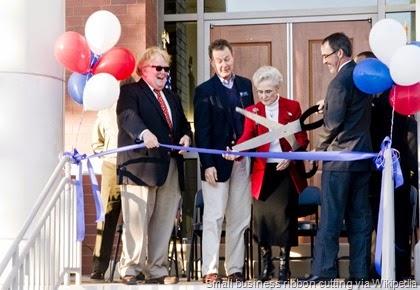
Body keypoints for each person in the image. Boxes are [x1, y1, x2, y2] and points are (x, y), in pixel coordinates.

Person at [225, 66, 309, 281]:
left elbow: (301, 139)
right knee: (261, 221)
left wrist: (289, 157)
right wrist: (235, 152)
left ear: (277, 88)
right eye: (260, 92)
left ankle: (284, 266)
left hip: (286, 172)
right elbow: (246, 138)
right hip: (263, 173)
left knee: (284, 220)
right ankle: (266, 264)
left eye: (268, 92)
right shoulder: (253, 111)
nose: (264, 96)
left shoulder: (292, 106)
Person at [116, 47, 192, 285]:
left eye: (166, 68)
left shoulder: (172, 97)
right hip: (141, 167)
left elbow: (183, 126)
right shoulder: (130, 91)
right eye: (157, 68)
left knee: (164, 220)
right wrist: (143, 132)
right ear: (143, 70)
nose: (163, 73)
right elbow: (127, 116)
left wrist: (187, 137)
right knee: (137, 221)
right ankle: (130, 269)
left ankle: (157, 270)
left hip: (170, 166)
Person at [305, 33, 372, 282]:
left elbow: (332, 124)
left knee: (331, 220)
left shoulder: (338, 83)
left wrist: (318, 150)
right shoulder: (362, 78)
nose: (324, 61)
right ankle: (360, 274)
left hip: (339, 162)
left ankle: (323, 273)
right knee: (359, 220)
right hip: (361, 160)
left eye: (326, 55)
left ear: (340, 53)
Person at [193, 39, 254, 283]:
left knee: (239, 218)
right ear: (212, 63)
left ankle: (235, 268)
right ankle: (210, 269)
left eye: (227, 59)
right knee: (214, 217)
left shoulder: (246, 85)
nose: (224, 64)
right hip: (215, 166)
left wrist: (244, 148)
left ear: (233, 56)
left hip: (242, 161)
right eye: (219, 61)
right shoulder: (204, 90)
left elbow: (252, 123)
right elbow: (202, 132)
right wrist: (206, 163)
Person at [355, 51, 415, 280]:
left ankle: (401, 270)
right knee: (371, 221)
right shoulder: (361, 100)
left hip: (397, 171)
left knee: (399, 220)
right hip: (370, 173)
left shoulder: (395, 96)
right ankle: (375, 267)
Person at [90, 76, 135, 281]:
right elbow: (96, 140)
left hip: (134, 166)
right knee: (107, 216)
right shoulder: (106, 110)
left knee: (134, 218)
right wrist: (106, 154)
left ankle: (131, 267)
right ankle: (99, 267)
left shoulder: (137, 108)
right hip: (111, 165)